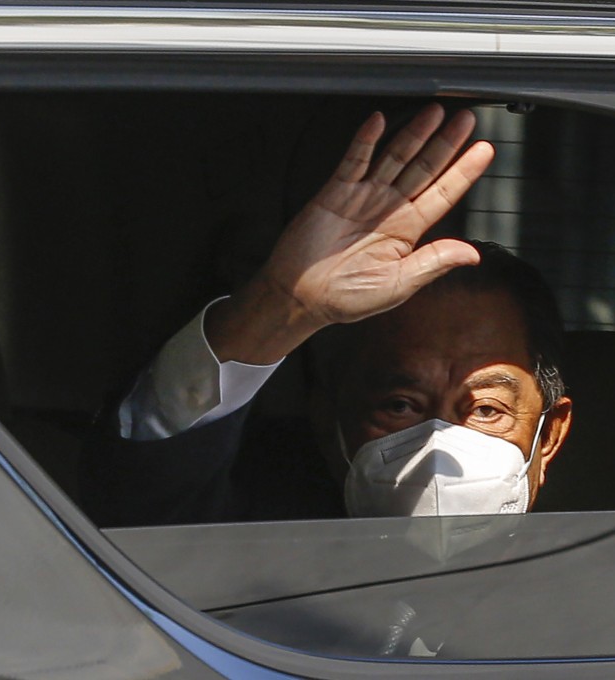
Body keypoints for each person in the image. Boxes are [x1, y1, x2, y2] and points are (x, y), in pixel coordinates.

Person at [80, 104, 573, 526]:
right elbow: (143, 506)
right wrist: (284, 305)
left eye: (486, 411)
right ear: (326, 419)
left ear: (548, 435)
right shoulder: (255, 553)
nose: (439, 451)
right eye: (400, 405)